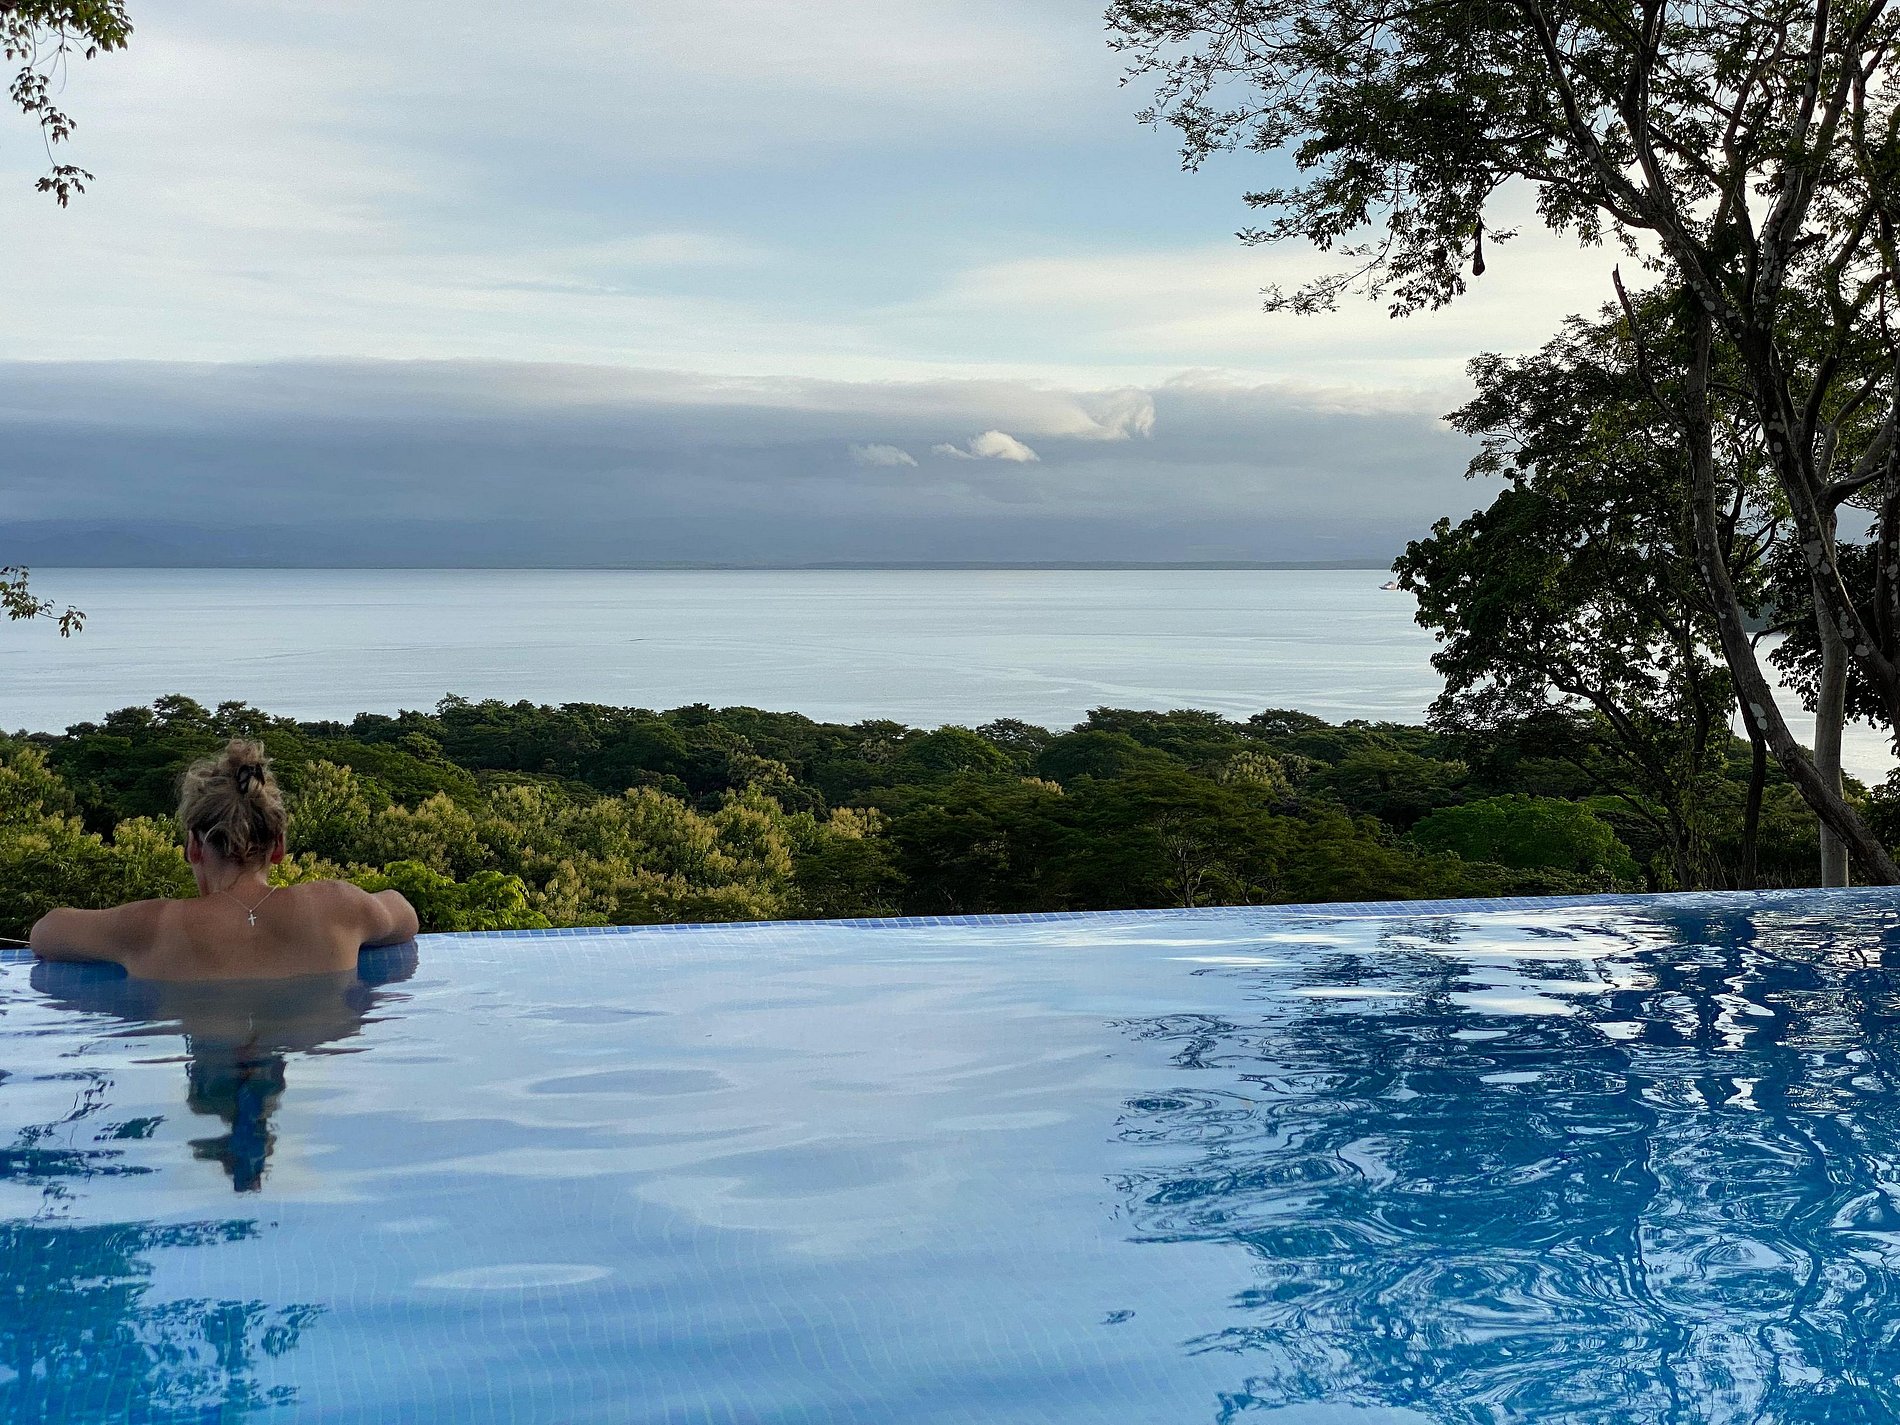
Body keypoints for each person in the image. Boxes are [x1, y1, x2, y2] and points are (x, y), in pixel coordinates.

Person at [29, 739, 418, 980]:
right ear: (278, 847)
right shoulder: (338, 907)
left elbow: (46, 933)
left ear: (194, 848)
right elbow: (404, 915)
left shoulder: (149, 927)